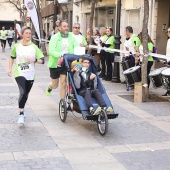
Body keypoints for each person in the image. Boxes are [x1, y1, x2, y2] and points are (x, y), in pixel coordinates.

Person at [8, 26, 45, 124]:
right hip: (19, 73)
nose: (28, 35)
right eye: (26, 33)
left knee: (25, 94)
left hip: (30, 74)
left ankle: (22, 108)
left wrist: (35, 60)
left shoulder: (34, 47)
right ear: (22, 34)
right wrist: (9, 69)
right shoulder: (17, 46)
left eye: (29, 33)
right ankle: (20, 114)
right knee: (23, 91)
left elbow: (43, 60)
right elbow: (12, 57)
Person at [46, 20, 79, 98]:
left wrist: (79, 53)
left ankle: (62, 103)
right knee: (55, 85)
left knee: (63, 83)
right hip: (55, 64)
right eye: (64, 26)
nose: (66, 28)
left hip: (66, 63)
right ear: (60, 28)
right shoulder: (54, 37)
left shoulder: (71, 37)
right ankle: (50, 86)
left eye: (67, 26)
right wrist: (61, 55)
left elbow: (76, 47)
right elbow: (51, 51)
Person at [162, 26, 170, 96]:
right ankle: (168, 91)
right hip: (168, 60)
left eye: (169, 32)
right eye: (167, 32)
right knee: (167, 77)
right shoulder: (168, 40)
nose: (168, 33)